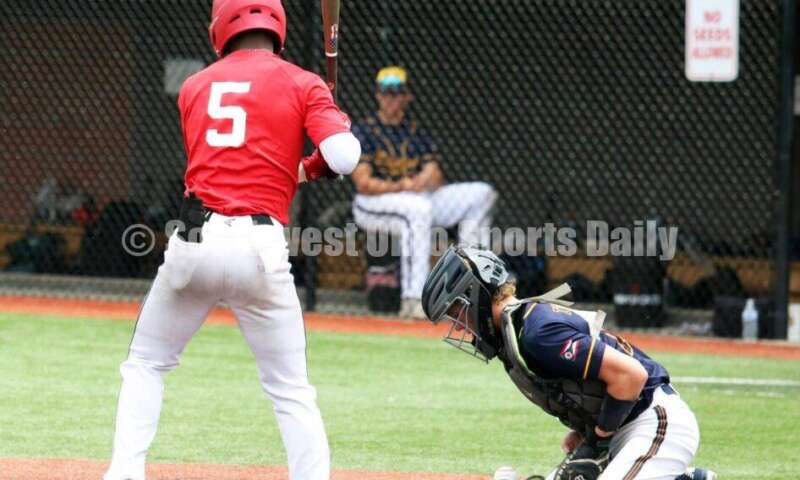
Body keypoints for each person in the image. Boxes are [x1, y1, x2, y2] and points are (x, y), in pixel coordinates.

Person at [103, 1, 360, 479]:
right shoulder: (303, 82)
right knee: (291, 389)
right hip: (260, 249)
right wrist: (331, 117)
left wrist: (306, 161)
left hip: (193, 242)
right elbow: (344, 157)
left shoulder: (193, 86)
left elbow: (237, 158)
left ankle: (124, 473)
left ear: (221, 27)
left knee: (145, 364)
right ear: (276, 25)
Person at [421, 245, 717, 480]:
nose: (458, 326)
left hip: (655, 422)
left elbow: (631, 377)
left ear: (479, 296)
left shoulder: (537, 333)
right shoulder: (515, 333)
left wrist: (597, 441)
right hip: (624, 429)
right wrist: (587, 433)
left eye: (457, 311)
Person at [351, 66, 498, 319]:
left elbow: (436, 177)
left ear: (407, 96)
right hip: (372, 205)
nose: (391, 97)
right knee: (417, 209)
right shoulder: (364, 131)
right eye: (385, 92)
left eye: (397, 92)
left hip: (418, 198)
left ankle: (469, 285)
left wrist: (424, 178)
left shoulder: (416, 132)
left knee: (482, 194)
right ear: (377, 95)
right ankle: (413, 298)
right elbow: (363, 183)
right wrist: (403, 186)